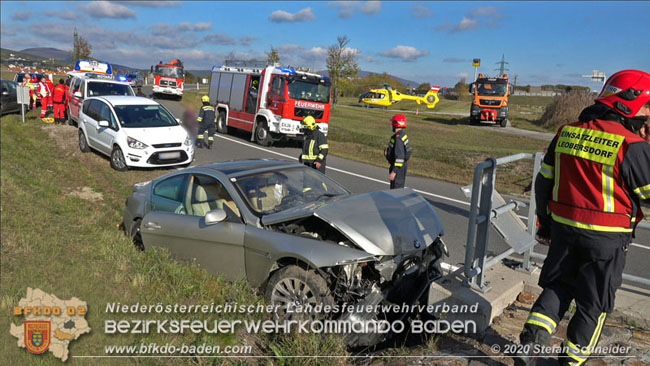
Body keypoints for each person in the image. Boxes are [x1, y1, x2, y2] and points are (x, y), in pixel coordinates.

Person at [515, 70, 650, 366]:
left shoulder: (567, 131)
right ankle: (572, 362)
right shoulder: (632, 145)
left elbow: (543, 181)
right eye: (647, 107)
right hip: (607, 240)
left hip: (563, 229)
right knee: (593, 305)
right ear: (631, 103)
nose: (648, 114)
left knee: (556, 288)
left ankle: (529, 347)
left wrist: (545, 222)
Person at [385, 114, 412, 189]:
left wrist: (394, 171)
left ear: (395, 123)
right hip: (401, 167)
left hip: (398, 168)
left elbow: (399, 156)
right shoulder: (402, 135)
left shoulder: (398, 138)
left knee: (396, 190)